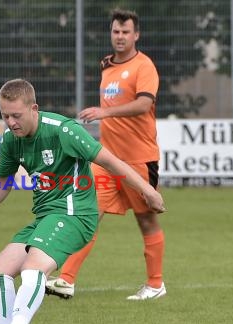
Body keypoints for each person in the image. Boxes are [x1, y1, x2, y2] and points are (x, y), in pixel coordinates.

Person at [0, 78, 165, 324]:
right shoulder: (11, 140)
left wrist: (148, 191)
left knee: (34, 266)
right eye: (5, 115)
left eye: (16, 115)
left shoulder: (64, 130)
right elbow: (2, 183)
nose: (10, 122)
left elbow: (112, 162)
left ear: (34, 108)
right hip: (46, 217)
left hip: (75, 216)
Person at [45, 8, 166, 301]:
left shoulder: (144, 66)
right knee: (88, 215)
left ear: (136, 35)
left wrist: (105, 112)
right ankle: (67, 279)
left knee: (146, 220)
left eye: (126, 32)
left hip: (139, 158)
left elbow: (142, 104)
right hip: (107, 160)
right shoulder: (107, 65)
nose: (120, 36)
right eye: (116, 31)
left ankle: (155, 284)